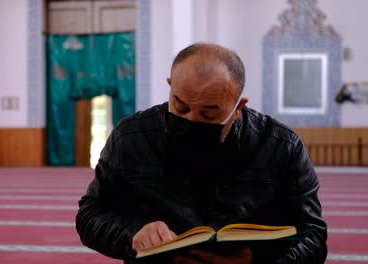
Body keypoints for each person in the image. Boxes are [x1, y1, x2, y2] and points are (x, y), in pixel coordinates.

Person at [76, 42, 327, 263]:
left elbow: (314, 237)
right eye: (181, 107)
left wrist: (255, 260)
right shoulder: (131, 136)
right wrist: (132, 234)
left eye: (209, 114)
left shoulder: (281, 146)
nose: (191, 120)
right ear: (170, 85)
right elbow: (90, 215)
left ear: (238, 106)